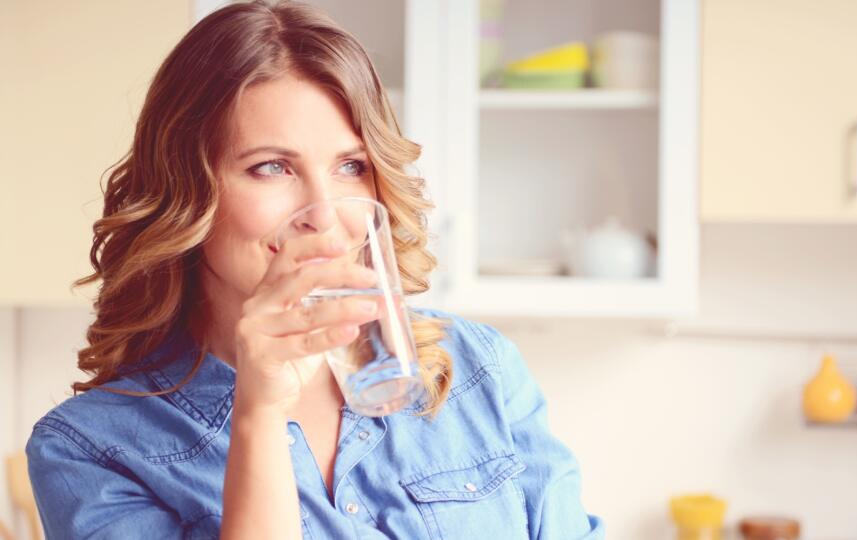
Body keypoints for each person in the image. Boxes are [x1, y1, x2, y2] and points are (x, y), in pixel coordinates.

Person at [24, 1, 604, 538]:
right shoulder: (90, 449)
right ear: (185, 192)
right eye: (271, 167)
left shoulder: (481, 371)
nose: (325, 215)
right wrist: (258, 416)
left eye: (351, 165)